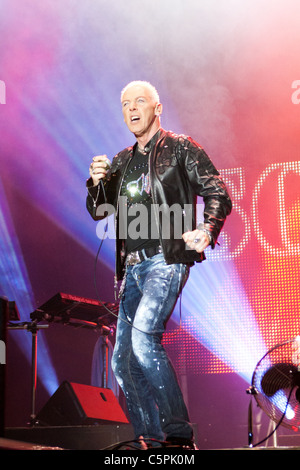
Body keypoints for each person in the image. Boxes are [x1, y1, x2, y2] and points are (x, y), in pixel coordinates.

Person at [86, 80, 232, 449]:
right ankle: (148, 438)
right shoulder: (121, 161)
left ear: (157, 107)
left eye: (139, 101)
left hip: (164, 260)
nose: (131, 109)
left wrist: (206, 228)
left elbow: (217, 190)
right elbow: (99, 211)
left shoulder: (180, 147)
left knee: (143, 338)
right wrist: (96, 183)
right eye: (124, 104)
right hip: (131, 268)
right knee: (121, 361)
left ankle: (179, 436)